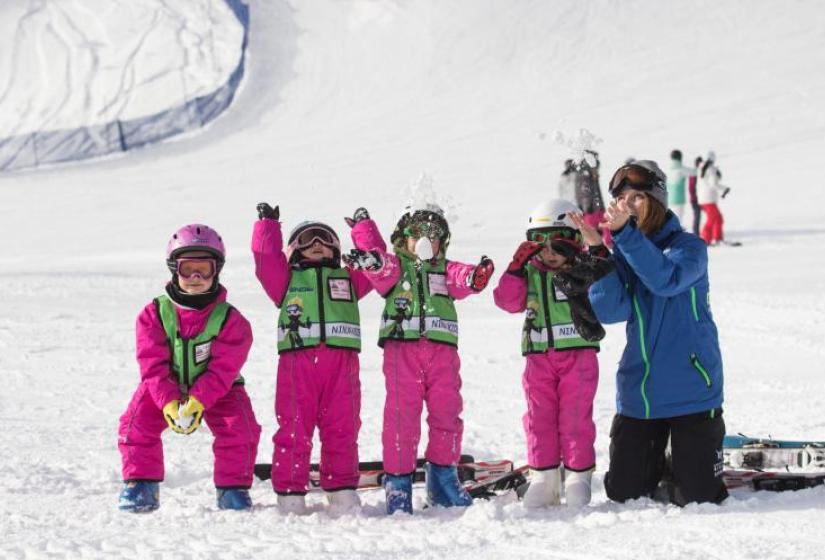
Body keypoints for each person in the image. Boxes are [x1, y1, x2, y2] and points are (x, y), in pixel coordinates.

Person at [585, 160, 728, 507]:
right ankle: (667, 456)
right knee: (623, 493)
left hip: (692, 390)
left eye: (638, 197)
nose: (629, 205)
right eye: (623, 199)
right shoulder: (625, 250)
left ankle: (688, 456)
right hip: (642, 395)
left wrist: (623, 238)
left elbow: (666, 280)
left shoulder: (689, 247)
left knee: (698, 496)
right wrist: (598, 255)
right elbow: (610, 310)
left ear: (657, 200)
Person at [345, 203, 495, 514]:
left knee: (447, 413)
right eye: (418, 234)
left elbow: (462, 277)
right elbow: (381, 266)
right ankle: (398, 486)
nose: (426, 241)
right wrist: (370, 260)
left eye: (434, 235)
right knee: (401, 418)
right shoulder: (396, 267)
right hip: (403, 351)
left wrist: (475, 277)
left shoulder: (445, 269)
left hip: (442, 352)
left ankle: (443, 480)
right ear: (404, 239)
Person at [117, 224, 261, 512]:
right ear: (174, 270)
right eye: (187, 269)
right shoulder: (153, 314)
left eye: (203, 270)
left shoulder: (233, 321)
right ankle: (141, 485)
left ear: (216, 271)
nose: (195, 278)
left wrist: (198, 400)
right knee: (135, 425)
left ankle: (232, 490)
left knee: (241, 429)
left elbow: (224, 370)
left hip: (220, 388)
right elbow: (152, 365)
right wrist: (169, 402)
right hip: (163, 388)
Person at [252, 203, 376, 515]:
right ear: (294, 250)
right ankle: (290, 492)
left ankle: (342, 488)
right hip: (298, 365)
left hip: (342, 366)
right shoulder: (285, 282)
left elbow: (375, 262)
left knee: (343, 427)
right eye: (308, 239)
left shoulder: (350, 279)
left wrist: (363, 230)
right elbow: (265, 260)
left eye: (323, 238)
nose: (316, 244)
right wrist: (268, 225)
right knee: (294, 426)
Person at [493, 199, 612, 508]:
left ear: (573, 240)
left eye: (557, 243)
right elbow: (507, 302)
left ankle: (577, 476)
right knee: (538, 417)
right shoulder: (530, 272)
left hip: (578, 356)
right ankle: (544, 476)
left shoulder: (584, 270)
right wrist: (515, 268)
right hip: (537, 357)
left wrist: (592, 254)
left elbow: (607, 284)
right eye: (538, 243)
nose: (547, 252)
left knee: (574, 418)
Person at [697, 151, 731, 245]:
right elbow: (713, 184)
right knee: (713, 218)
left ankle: (717, 239)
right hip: (709, 199)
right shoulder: (710, 168)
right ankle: (706, 240)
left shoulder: (701, 167)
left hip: (704, 198)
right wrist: (724, 189)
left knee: (717, 218)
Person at [666, 149, 696, 224]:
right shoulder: (681, 169)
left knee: (670, 220)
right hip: (679, 199)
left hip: (669, 199)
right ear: (680, 158)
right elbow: (695, 172)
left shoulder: (668, 169)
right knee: (678, 220)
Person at [688, 156, 703, 236]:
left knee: (698, 215)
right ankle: (696, 233)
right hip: (695, 199)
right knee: (697, 215)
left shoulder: (697, 172)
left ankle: (697, 232)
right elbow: (691, 187)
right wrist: (695, 197)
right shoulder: (694, 173)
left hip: (699, 198)